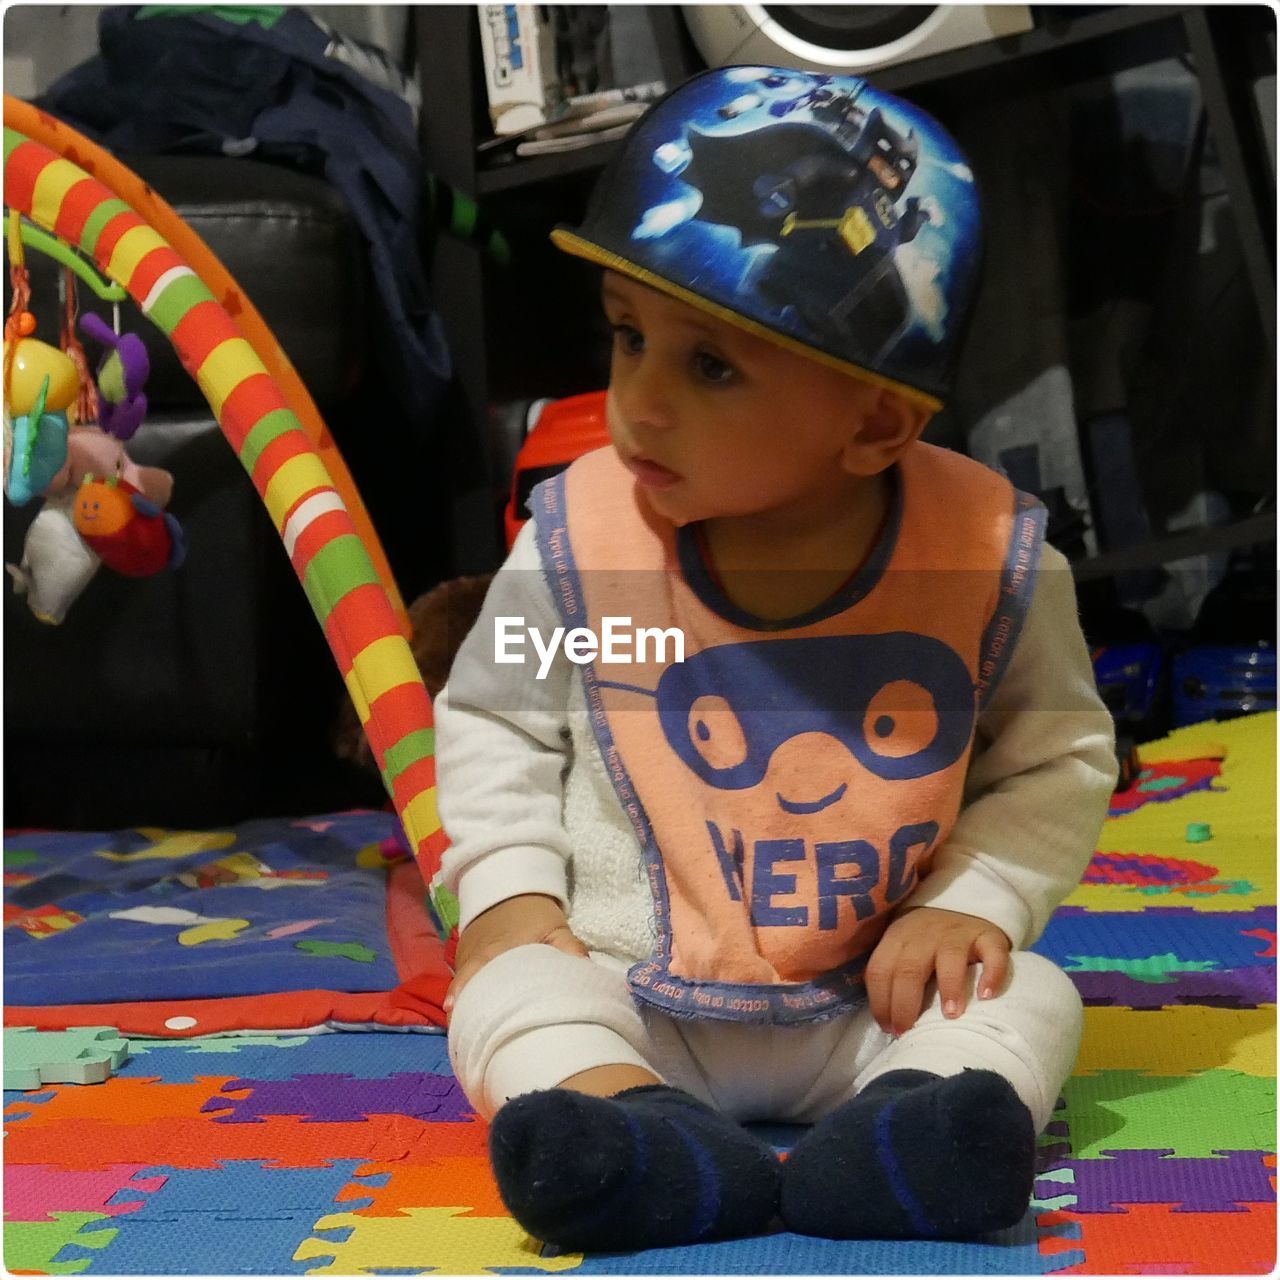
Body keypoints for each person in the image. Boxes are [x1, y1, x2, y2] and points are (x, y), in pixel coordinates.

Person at [434, 66, 1117, 1252]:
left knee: (1035, 995)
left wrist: (975, 902)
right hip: (633, 991)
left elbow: (1054, 757)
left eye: (709, 366)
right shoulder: (590, 546)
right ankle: (621, 1133)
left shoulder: (986, 558)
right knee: (503, 993)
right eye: (626, 336)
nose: (635, 403)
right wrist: (510, 895)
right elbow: (499, 719)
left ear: (872, 424)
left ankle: (913, 1135)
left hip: (871, 1001)